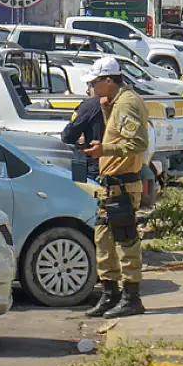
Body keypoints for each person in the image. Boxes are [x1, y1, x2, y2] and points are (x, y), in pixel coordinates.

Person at [80, 57, 149, 319]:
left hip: (123, 184)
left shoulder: (128, 103)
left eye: (94, 83)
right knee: (104, 240)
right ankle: (111, 295)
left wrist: (104, 150)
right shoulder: (116, 103)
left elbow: (138, 143)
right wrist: (106, 111)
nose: (91, 88)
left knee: (125, 241)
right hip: (110, 186)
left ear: (109, 80)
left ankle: (132, 298)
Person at [60, 84, 105, 181]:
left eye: (88, 89)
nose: (88, 92)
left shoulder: (90, 105)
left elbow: (68, 136)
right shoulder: (126, 101)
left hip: (96, 165)